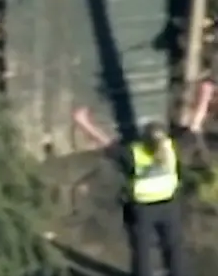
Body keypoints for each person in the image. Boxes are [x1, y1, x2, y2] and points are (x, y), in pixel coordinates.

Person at [73, 80, 215, 276]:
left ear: (143, 139)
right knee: (174, 249)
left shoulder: (132, 154)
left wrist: (83, 122)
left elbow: (104, 142)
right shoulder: (173, 149)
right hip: (169, 206)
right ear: (164, 137)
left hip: (142, 210)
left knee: (142, 252)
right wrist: (205, 96)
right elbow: (196, 124)